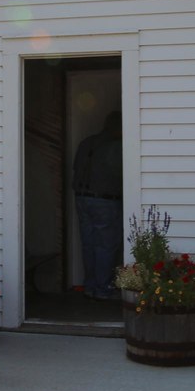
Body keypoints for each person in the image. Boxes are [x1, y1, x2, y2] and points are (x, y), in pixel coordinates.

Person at [72, 110, 123, 300]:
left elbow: (76, 168)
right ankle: (103, 289)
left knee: (89, 244)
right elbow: (121, 174)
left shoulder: (87, 142)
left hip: (82, 198)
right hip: (105, 200)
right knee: (106, 245)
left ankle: (90, 286)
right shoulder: (116, 147)